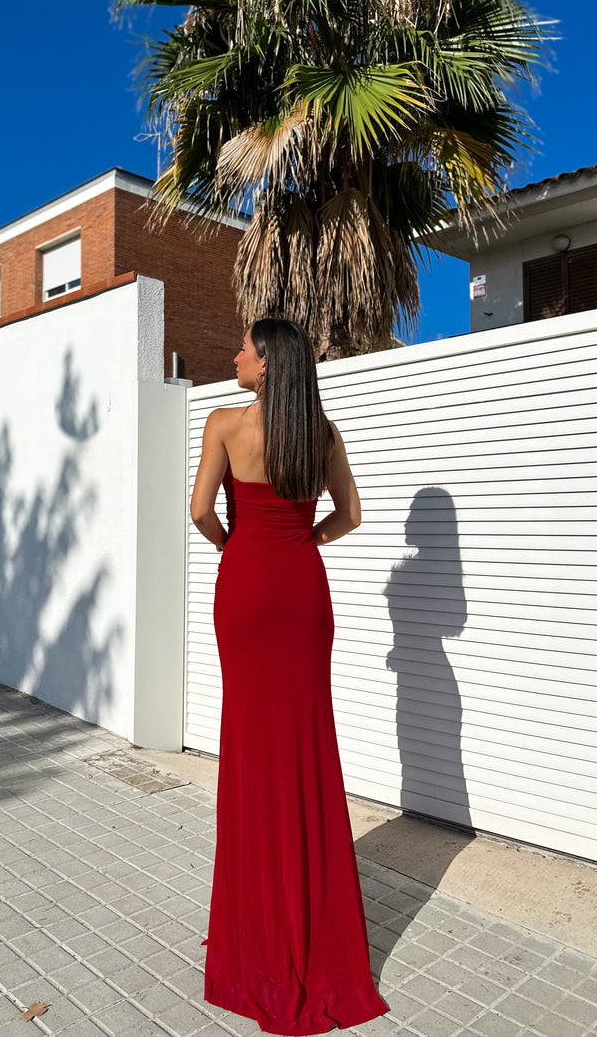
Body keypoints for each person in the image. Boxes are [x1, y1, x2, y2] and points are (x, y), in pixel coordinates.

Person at [190, 318, 389, 1036]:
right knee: (305, 750)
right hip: (302, 589)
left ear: (269, 363)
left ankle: (256, 934)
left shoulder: (222, 424)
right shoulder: (323, 434)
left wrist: (236, 546)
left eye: (244, 346)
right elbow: (351, 515)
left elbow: (200, 512)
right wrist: (304, 539)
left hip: (245, 589)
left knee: (249, 752)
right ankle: (312, 928)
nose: (235, 353)